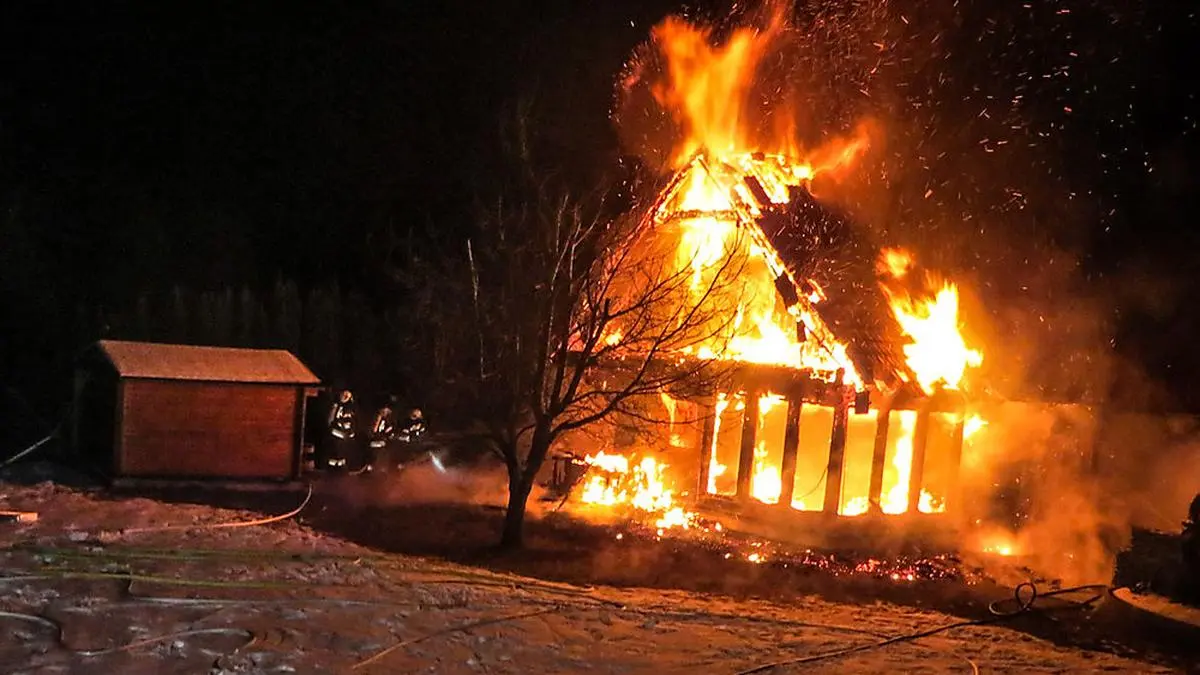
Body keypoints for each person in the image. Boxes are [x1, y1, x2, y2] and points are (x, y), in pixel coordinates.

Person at [325, 390, 358, 470]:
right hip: (336, 434)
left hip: (344, 436)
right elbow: (331, 420)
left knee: (342, 452)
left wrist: (351, 432)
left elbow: (352, 421)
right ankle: (333, 468)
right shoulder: (336, 405)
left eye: (348, 395)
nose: (345, 396)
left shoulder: (351, 408)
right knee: (335, 452)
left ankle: (340, 467)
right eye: (344, 394)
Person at [366, 395, 398, 473]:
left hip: (383, 446)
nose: (385, 412)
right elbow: (372, 431)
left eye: (387, 411)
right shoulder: (375, 417)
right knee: (373, 458)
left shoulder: (389, 420)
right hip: (374, 444)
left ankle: (381, 471)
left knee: (382, 459)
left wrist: (388, 435)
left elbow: (391, 429)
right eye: (384, 410)